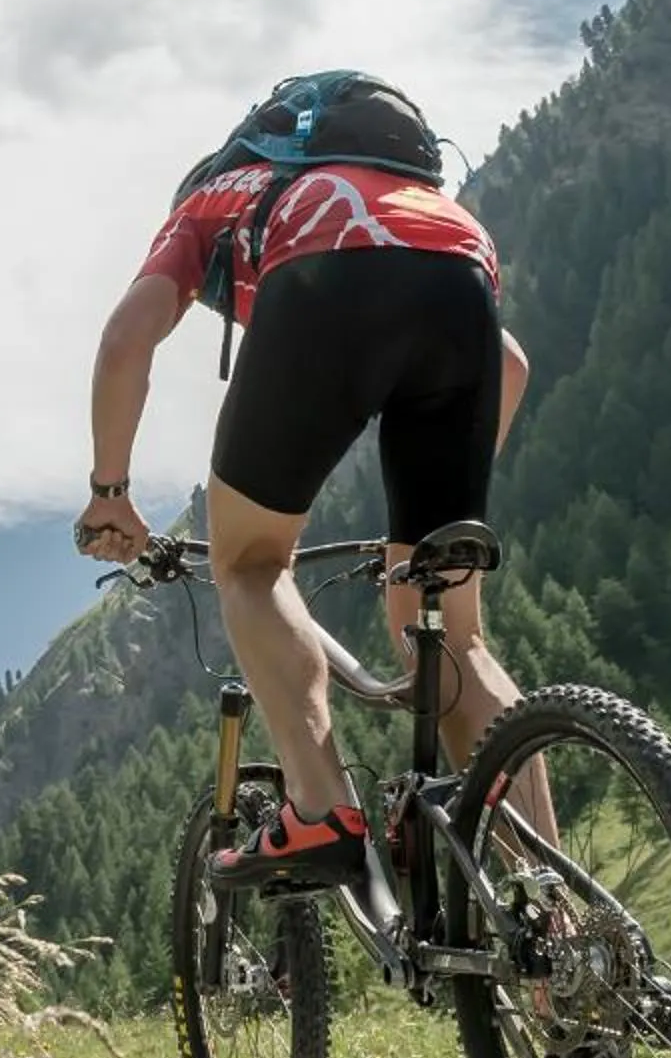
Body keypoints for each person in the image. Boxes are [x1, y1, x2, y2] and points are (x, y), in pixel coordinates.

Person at [71, 95, 530, 891]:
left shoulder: (208, 204)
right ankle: (552, 911)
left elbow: (125, 340)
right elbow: (511, 363)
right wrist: (432, 520)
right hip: (466, 273)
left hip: (331, 278)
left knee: (251, 564)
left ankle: (320, 810)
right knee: (453, 634)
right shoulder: (416, 199)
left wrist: (110, 492)